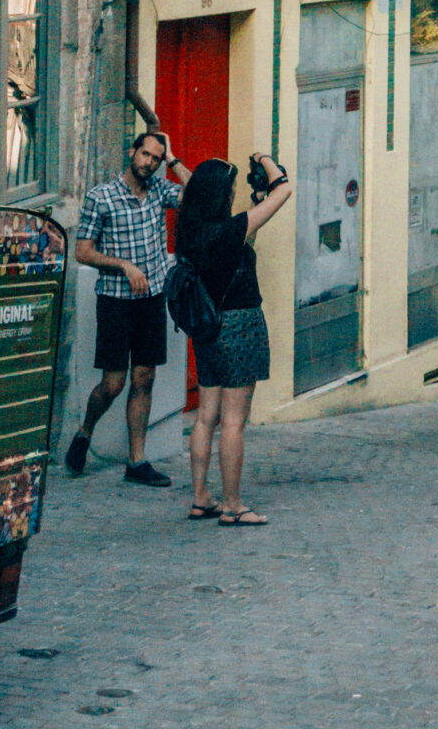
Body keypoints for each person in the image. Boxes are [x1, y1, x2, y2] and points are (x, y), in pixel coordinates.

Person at [67, 127, 190, 485]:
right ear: (132, 152)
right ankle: (86, 431)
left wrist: (173, 159)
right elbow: (83, 251)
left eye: (155, 158)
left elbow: (199, 195)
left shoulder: (160, 191)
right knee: (114, 383)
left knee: (145, 377)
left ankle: (137, 463)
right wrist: (123, 265)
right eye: (145, 154)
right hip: (116, 301)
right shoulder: (101, 197)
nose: (149, 163)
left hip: (151, 299)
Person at [177, 155, 292, 528]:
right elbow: (285, 189)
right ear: (222, 195)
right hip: (240, 325)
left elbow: (197, 185)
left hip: (207, 327)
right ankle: (232, 504)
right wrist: (266, 161)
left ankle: (200, 498)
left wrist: (178, 163)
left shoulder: (191, 229)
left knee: (206, 415)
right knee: (234, 421)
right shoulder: (230, 230)